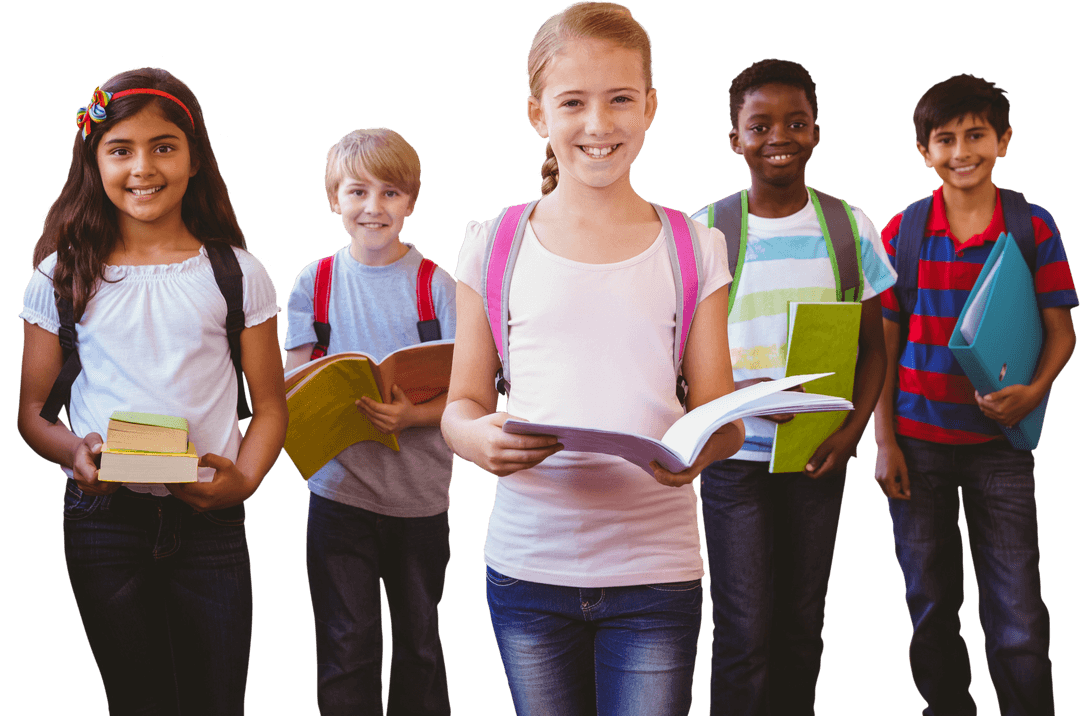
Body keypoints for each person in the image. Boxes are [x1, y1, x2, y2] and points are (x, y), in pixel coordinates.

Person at [440, 3, 743, 714]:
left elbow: (721, 416)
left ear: (652, 107)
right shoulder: (492, 245)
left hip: (656, 572)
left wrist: (702, 449)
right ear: (537, 113)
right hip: (526, 568)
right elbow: (460, 406)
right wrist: (478, 439)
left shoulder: (695, 247)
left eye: (620, 100)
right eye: (573, 102)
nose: (599, 124)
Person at [16, 67, 287, 715]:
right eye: (121, 149)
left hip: (210, 520)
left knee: (216, 701)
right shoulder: (60, 275)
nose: (144, 167)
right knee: (137, 702)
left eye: (164, 146)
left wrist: (243, 480)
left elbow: (272, 408)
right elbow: (31, 412)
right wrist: (72, 455)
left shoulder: (235, 273)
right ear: (94, 160)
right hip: (103, 524)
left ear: (195, 158)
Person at [693, 59, 896, 715]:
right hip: (733, 459)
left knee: (801, 630)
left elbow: (874, 348)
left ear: (816, 133)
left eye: (795, 122)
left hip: (818, 457)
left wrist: (851, 433)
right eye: (760, 125)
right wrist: (733, 394)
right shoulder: (706, 235)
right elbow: (680, 359)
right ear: (735, 140)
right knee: (743, 634)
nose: (778, 135)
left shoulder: (849, 228)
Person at [873, 73, 1077, 716]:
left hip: (1001, 449)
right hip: (917, 447)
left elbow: (1060, 331)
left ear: (1004, 141)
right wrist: (884, 442)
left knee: (1016, 608)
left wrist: (1034, 391)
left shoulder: (1032, 225)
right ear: (924, 152)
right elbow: (880, 346)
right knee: (930, 605)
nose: (962, 151)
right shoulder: (902, 233)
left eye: (977, 136)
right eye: (946, 139)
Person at [283, 128, 456, 716]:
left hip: (420, 501)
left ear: (410, 202)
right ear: (335, 199)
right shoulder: (315, 282)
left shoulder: (438, 286)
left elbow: (471, 392)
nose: (373, 208)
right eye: (358, 192)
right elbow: (293, 384)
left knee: (420, 646)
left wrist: (414, 415)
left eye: (390, 193)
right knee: (345, 645)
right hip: (338, 498)